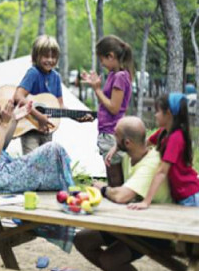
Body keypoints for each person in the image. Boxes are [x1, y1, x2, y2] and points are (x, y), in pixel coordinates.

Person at [0, 67, 74, 194]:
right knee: (53, 149)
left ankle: (66, 191)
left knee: (52, 163)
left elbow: (0, 149)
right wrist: (4, 124)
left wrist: (14, 119)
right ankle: (71, 192)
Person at [74, 116, 172, 271]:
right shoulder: (130, 155)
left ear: (127, 143)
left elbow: (121, 196)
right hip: (134, 222)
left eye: (116, 136)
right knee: (82, 240)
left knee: (110, 260)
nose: (113, 138)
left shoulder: (151, 163)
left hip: (157, 229)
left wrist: (102, 188)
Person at [127, 93, 199, 210]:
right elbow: (141, 144)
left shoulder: (176, 138)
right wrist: (119, 146)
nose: (155, 115)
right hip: (184, 196)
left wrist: (146, 202)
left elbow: (162, 172)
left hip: (193, 197)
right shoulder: (164, 133)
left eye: (158, 111)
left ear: (168, 114)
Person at [81, 35, 134, 187]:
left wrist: (97, 89)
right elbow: (107, 104)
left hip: (112, 133)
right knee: (112, 176)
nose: (101, 64)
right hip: (107, 131)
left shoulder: (120, 77)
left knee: (115, 179)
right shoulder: (114, 75)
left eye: (101, 59)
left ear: (110, 56)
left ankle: (116, 204)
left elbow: (113, 107)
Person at [13, 35, 64, 155]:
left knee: (45, 165)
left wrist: (77, 116)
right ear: (36, 56)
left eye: (53, 57)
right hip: (29, 128)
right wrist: (38, 115)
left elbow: (60, 106)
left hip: (47, 129)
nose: (50, 60)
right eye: (46, 56)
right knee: (32, 164)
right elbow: (18, 96)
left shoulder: (56, 77)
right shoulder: (33, 73)